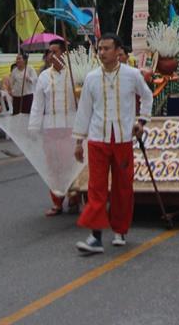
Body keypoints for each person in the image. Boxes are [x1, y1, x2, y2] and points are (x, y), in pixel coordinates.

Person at [72, 33, 153, 254]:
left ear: (118, 51)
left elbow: (147, 96)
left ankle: (120, 230)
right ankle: (95, 236)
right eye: (100, 49)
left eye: (106, 48)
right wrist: (79, 141)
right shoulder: (91, 78)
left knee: (122, 187)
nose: (102, 52)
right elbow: (84, 110)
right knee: (96, 188)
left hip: (123, 139)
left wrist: (142, 121)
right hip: (98, 139)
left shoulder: (132, 74)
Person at [29, 38, 79, 217]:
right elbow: (37, 104)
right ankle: (57, 202)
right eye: (49, 52)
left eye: (55, 52)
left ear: (64, 54)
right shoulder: (43, 76)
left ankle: (74, 197)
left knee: (72, 164)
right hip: (51, 128)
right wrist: (33, 126)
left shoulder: (75, 74)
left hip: (71, 127)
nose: (51, 55)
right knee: (53, 166)